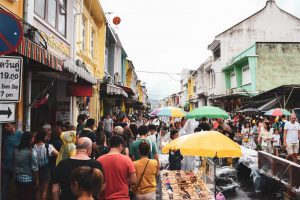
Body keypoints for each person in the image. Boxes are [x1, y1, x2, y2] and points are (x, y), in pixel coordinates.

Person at [97, 135, 137, 200]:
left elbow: (96, 181)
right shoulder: (127, 160)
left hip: (104, 197)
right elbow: (134, 181)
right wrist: (124, 180)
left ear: (109, 145)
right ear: (121, 146)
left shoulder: (99, 160)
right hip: (122, 197)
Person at [34, 129, 58, 200]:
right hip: (45, 170)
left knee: (38, 189)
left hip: (36, 170)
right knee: (45, 190)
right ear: (44, 137)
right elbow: (58, 154)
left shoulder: (34, 146)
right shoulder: (48, 146)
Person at [14, 131, 39, 200]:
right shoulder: (31, 151)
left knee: (20, 196)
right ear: (30, 139)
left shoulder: (16, 149)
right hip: (28, 179)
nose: (34, 139)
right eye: (33, 138)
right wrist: (37, 179)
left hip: (17, 178)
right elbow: (35, 167)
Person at [1, 122, 22, 200]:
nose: (5, 127)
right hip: (6, 166)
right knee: (4, 187)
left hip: (17, 167)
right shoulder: (3, 135)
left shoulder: (20, 135)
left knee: (19, 187)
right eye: (4, 125)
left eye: (7, 125)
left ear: (13, 125)